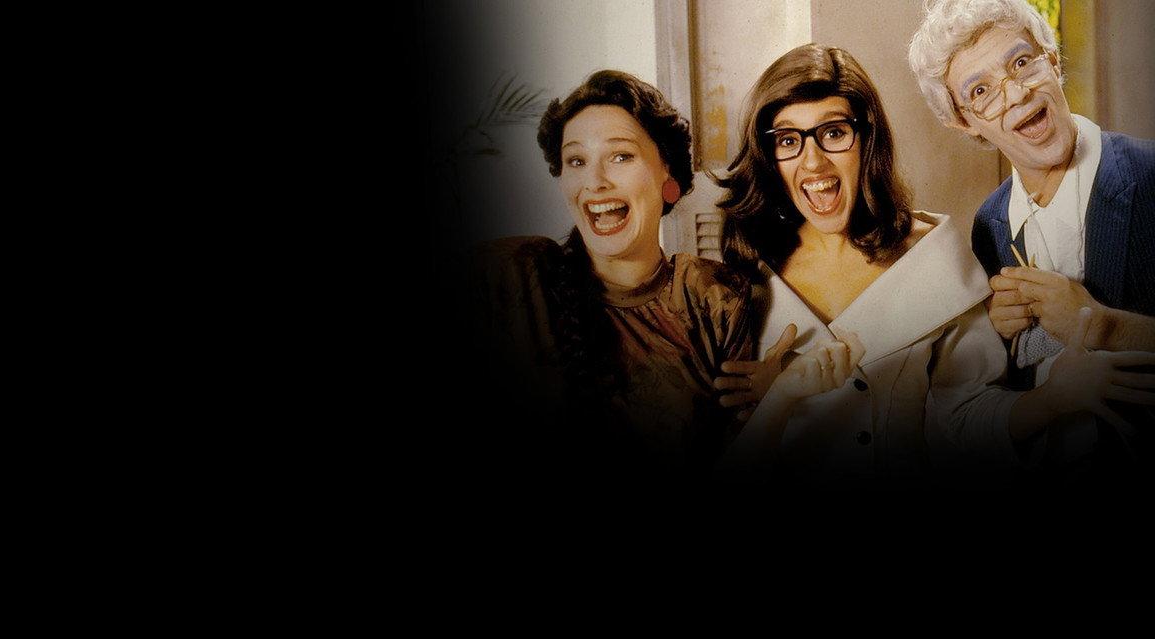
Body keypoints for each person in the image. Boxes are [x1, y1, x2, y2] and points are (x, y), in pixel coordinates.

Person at [713, 44, 1151, 485]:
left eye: (834, 132)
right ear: (768, 154)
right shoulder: (741, 276)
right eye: (788, 140)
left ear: (867, 139)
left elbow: (970, 422)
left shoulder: (936, 253)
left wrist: (1055, 396)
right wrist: (776, 400)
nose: (813, 161)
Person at [465, 69, 855, 477]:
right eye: (576, 161)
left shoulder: (714, 298)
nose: (594, 182)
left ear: (666, 172)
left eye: (620, 156)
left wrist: (779, 399)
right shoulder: (509, 275)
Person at [908, 0, 1155, 474]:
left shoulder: (1148, 176)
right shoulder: (990, 226)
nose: (1016, 94)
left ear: (1053, 60)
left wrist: (1102, 327)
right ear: (964, 121)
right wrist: (996, 337)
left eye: (1022, 62)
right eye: (981, 91)